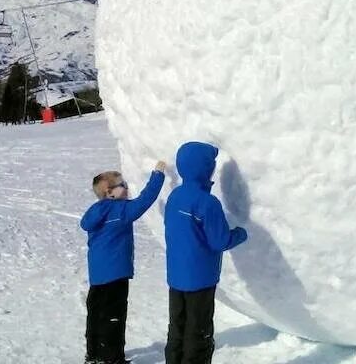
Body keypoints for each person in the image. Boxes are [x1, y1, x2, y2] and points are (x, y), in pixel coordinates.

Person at [164, 141, 248, 364]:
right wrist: (241, 233)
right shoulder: (207, 203)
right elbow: (220, 241)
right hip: (200, 279)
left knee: (177, 327)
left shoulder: (175, 196)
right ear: (206, 169)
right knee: (198, 331)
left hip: (176, 276)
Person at [81, 161, 166, 364]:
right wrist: (158, 175)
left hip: (98, 274)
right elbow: (145, 200)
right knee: (114, 316)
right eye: (122, 185)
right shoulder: (120, 211)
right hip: (116, 273)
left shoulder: (95, 212)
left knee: (96, 313)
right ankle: (111, 358)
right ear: (110, 192)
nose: (126, 187)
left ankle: (93, 354)